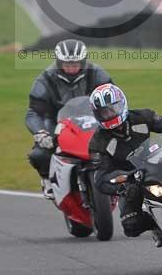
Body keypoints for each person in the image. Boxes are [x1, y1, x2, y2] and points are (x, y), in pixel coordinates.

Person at [88, 83, 162, 245]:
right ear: (97, 115)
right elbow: (101, 178)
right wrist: (123, 185)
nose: (109, 114)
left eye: (113, 108)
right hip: (134, 181)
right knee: (131, 226)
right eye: (104, 112)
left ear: (122, 103)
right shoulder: (97, 142)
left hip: (160, 162)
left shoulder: (142, 116)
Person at [26, 39, 112, 198]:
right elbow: (33, 113)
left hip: (93, 118)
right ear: (59, 62)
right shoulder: (45, 79)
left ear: (83, 61)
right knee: (40, 154)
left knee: (118, 144)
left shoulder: (97, 73)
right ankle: (47, 179)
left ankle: (120, 179)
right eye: (67, 64)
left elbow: (112, 100)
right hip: (57, 121)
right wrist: (40, 133)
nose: (71, 68)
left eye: (75, 64)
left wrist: (112, 119)